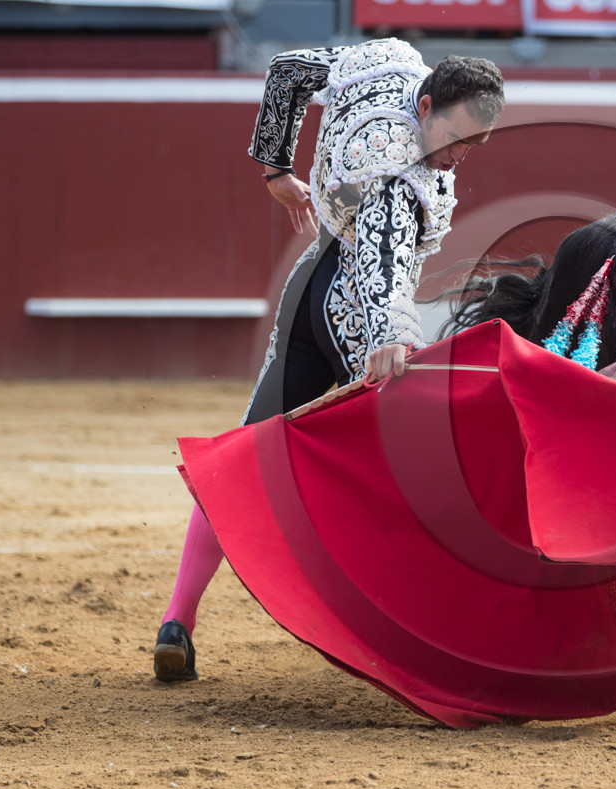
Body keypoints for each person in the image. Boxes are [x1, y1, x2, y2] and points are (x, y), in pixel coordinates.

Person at [152, 38, 505, 682]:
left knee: (245, 452)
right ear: (426, 105)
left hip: (306, 284)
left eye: (475, 145)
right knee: (407, 477)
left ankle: (178, 621)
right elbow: (385, 262)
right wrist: (393, 334)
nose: (458, 157)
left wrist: (275, 170)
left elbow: (287, 71)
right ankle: (424, 645)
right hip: (356, 311)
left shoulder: (385, 64)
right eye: (455, 138)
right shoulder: (404, 174)